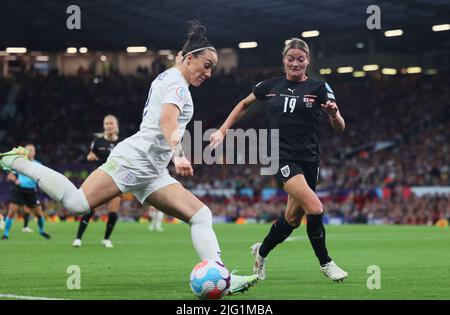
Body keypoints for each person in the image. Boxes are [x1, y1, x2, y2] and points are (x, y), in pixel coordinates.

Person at [0, 20, 257, 294]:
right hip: (134, 161)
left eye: (213, 68)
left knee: (201, 215)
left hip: (154, 171)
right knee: (77, 204)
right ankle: (19, 162)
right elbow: (167, 120)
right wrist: (179, 155)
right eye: (207, 65)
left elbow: (167, 118)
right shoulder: (178, 86)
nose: (209, 72)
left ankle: (222, 278)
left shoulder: (170, 77)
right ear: (189, 58)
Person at [210, 38, 348, 282]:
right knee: (315, 208)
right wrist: (222, 130)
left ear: (308, 61)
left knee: (292, 220)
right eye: (291, 58)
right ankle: (326, 263)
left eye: (300, 59)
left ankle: (260, 253)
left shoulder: (320, 88)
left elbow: (340, 127)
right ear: (283, 60)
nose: (295, 63)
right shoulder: (270, 85)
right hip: (279, 156)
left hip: (309, 160)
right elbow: (243, 104)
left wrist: (334, 115)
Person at [73, 115, 122, 248]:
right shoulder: (97, 141)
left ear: (116, 125)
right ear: (104, 126)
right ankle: (78, 238)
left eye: (111, 123)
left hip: (116, 181)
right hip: (100, 179)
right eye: (106, 123)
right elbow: (90, 154)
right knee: (89, 208)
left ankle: (106, 239)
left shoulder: (122, 143)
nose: (109, 126)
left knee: (113, 211)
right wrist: (90, 156)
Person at [1, 144, 51, 240]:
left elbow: (42, 178)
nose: (30, 152)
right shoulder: (20, 163)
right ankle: (6, 234)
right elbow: (9, 176)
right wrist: (15, 180)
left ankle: (42, 231)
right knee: (12, 212)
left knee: (39, 213)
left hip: (31, 191)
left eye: (32, 150)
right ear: (25, 152)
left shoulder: (38, 164)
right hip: (19, 190)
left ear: (35, 152)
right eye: (28, 150)